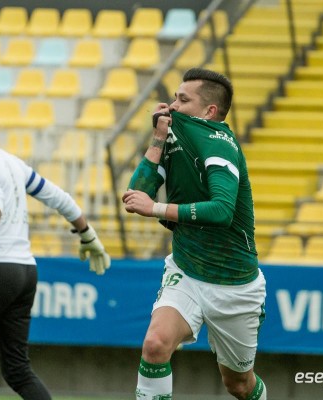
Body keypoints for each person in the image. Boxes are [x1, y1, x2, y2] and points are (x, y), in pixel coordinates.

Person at [0, 102, 111, 400]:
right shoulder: (12, 162)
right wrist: (88, 234)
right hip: (25, 271)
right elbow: (58, 197)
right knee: (17, 370)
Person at [122, 68, 267, 400]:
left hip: (235, 286)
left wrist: (157, 209)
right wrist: (157, 139)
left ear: (209, 112)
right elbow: (135, 196)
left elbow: (221, 210)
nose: (171, 106)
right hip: (186, 271)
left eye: (182, 100)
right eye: (173, 97)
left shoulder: (221, 145)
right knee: (155, 344)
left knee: (239, 385)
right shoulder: (177, 141)